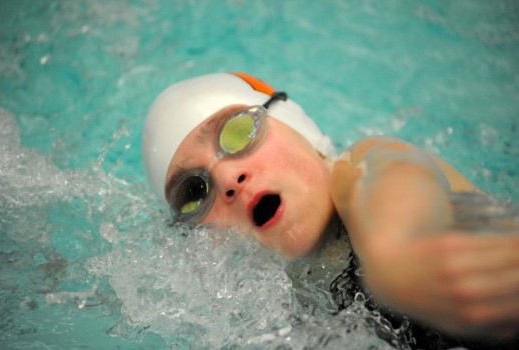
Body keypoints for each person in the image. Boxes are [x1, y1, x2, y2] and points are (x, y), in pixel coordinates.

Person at [142, 72, 519, 348]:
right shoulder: (263, 319)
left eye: (238, 132)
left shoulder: (363, 164)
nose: (228, 178)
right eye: (194, 191)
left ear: (301, 130)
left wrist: (403, 258)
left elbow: (398, 181)